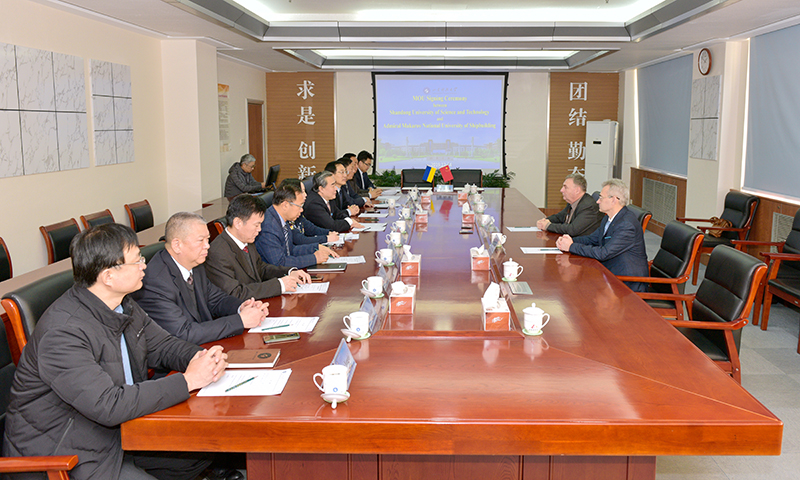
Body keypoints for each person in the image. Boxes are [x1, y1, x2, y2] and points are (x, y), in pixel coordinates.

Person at [2, 223, 227, 480]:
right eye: (137, 261)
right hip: (68, 455)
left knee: (203, 447)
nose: (144, 266)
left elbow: (163, 345)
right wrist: (189, 380)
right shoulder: (63, 332)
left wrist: (201, 358)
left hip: (120, 428)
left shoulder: (122, 304)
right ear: (108, 276)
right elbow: (107, 405)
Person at [133, 212, 269, 345]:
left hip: (205, 346)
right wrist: (240, 321)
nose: (207, 246)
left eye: (207, 239)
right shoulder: (154, 282)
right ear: (177, 245)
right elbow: (183, 333)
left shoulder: (195, 264)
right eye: (200, 240)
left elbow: (216, 299)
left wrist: (242, 307)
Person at [205, 194, 311, 300]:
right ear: (238, 223)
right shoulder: (217, 253)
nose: (259, 229)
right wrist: (279, 285)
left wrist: (289, 272)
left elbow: (261, 268)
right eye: (256, 225)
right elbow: (235, 293)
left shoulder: (247, 239)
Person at [555, 179, 649, 292]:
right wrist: (568, 240)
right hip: (610, 273)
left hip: (626, 283)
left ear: (613, 200)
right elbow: (592, 239)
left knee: (578, 288)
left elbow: (603, 253)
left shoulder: (626, 225)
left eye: (601, 197)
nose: (597, 201)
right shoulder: (608, 218)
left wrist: (571, 246)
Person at [255, 182, 339, 268]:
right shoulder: (268, 227)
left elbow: (290, 250)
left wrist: (316, 247)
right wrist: (314, 258)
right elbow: (280, 262)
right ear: (285, 205)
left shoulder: (282, 218)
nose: (302, 210)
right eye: (299, 206)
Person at [536, 173, 603, 237]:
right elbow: (560, 217)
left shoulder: (588, 207)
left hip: (582, 242)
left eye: (565, 187)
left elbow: (572, 229)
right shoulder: (572, 202)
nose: (561, 190)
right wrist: (545, 221)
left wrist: (548, 226)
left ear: (577, 190)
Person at [280, 178, 340, 246]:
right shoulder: (287, 216)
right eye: (302, 191)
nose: (305, 195)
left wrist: (329, 232)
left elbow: (311, 229)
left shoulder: (298, 212)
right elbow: (300, 240)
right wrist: (326, 238)